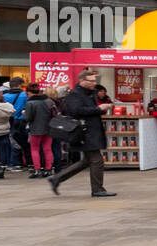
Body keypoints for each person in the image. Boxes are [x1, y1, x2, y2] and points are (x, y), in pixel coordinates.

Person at [49, 68, 116, 198]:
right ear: (82, 81)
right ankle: (98, 189)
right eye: (90, 81)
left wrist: (103, 109)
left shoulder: (88, 93)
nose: (93, 83)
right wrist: (98, 108)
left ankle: (57, 178)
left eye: (94, 81)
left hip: (90, 131)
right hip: (85, 132)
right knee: (97, 161)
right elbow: (76, 110)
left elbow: (89, 110)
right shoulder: (75, 94)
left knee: (86, 161)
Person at [23, 84, 55, 178]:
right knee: (48, 149)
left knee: (34, 149)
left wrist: (24, 114)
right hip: (49, 128)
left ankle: (37, 170)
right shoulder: (49, 101)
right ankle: (48, 169)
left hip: (35, 129)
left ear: (29, 92)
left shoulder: (30, 103)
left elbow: (28, 117)